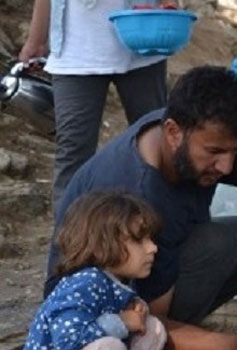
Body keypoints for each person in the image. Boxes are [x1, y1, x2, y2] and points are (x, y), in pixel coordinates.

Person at [45, 65, 237, 350]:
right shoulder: (138, 195)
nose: (227, 167)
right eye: (215, 153)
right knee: (213, 246)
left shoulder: (209, 133)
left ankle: (180, 338)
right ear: (173, 132)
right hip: (94, 320)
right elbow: (146, 320)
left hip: (154, 279)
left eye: (234, 152)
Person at [16, 191, 168, 350]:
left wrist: (137, 313)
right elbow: (69, 339)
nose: (152, 247)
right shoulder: (84, 283)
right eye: (140, 240)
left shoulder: (112, 281)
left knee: (153, 329)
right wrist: (122, 322)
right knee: (109, 349)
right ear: (103, 243)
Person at [19, 0, 172, 214]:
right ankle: (70, 241)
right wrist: (36, 40)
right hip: (75, 50)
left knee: (158, 145)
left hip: (143, 40)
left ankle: (165, 232)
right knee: (73, 151)